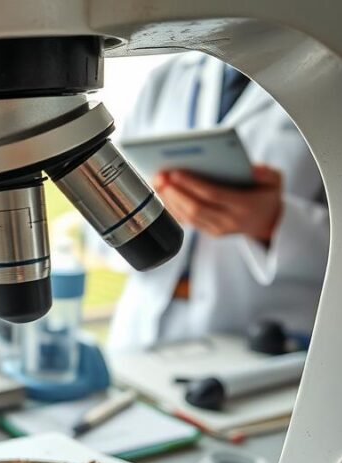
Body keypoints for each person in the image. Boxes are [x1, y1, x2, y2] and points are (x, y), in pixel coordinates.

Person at [105, 54, 329, 350]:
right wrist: (143, 211)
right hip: (140, 332)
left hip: (265, 341)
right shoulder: (166, 78)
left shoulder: (336, 87)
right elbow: (99, 236)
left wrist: (274, 222)